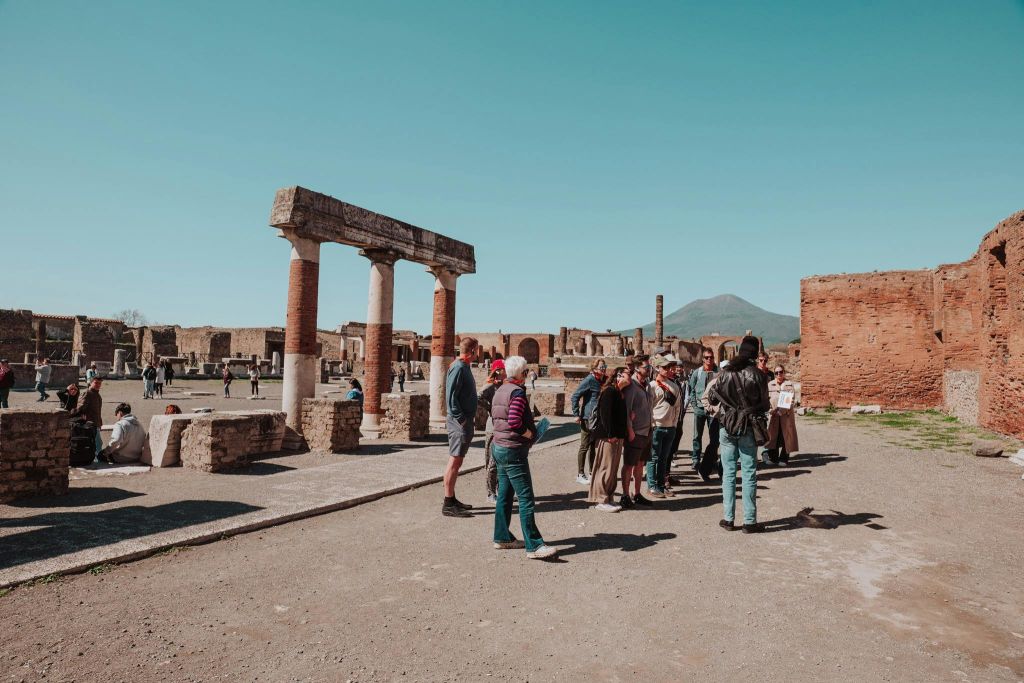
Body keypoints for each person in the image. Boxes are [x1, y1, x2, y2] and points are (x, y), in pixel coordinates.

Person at [489, 355, 557, 559]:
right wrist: (530, 434)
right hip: (513, 450)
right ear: (522, 374)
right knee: (526, 499)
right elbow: (515, 421)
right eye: (526, 372)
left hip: (499, 446)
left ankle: (502, 537)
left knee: (505, 495)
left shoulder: (500, 389)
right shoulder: (517, 393)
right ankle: (534, 545)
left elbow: (496, 418)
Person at [706, 336, 771, 533]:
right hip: (748, 428)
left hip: (727, 427)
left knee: (728, 473)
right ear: (754, 353)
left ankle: (728, 518)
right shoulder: (757, 375)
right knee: (749, 472)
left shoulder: (725, 373)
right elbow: (766, 404)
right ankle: (750, 521)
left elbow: (712, 398)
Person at [442, 337, 478, 518]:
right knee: (454, 461)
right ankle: (448, 504)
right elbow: (451, 398)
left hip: (463, 421)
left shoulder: (464, 366)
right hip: (459, 423)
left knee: (458, 460)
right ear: (472, 351)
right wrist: (462, 420)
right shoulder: (458, 367)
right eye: (476, 350)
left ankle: (452, 498)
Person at [588, 367, 629, 512]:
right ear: (618, 376)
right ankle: (601, 499)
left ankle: (609, 496)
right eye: (627, 374)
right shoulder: (609, 391)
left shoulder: (619, 392)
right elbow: (605, 415)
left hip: (617, 437)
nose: (629, 376)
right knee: (605, 467)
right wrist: (611, 435)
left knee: (613, 468)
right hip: (607, 437)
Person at [646, 355, 682, 498]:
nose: (668, 370)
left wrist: (674, 423)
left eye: (669, 367)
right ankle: (652, 486)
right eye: (665, 367)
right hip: (656, 426)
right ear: (658, 368)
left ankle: (661, 485)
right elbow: (648, 407)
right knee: (653, 458)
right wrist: (651, 425)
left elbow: (678, 407)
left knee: (664, 458)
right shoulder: (652, 386)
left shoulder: (674, 386)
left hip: (670, 427)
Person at [620, 359, 653, 508]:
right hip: (636, 432)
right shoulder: (631, 386)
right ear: (638, 369)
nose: (649, 369)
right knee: (629, 464)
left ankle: (637, 493)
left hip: (647, 431)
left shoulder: (646, 385)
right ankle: (625, 495)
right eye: (646, 367)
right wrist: (630, 430)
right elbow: (627, 410)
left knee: (640, 464)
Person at [570, 359, 606, 485]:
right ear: (594, 368)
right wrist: (576, 414)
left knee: (592, 447)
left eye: (604, 366)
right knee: (584, 446)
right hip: (587, 418)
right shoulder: (589, 380)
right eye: (601, 367)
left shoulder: (600, 380)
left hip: (596, 418)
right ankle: (580, 474)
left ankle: (592, 472)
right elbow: (575, 396)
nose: (603, 369)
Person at [687, 349, 719, 481]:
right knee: (697, 436)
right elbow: (691, 389)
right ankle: (696, 459)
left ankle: (712, 460)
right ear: (703, 359)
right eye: (706, 357)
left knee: (714, 437)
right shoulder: (697, 372)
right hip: (700, 408)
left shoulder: (718, 373)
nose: (709, 360)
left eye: (711, 357)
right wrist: (694, 405)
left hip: (712, 409)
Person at [477, 359, 506, 504]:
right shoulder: (490, 386)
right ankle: (490, 492)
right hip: (492, 428)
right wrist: (490, 408)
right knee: (491, 462)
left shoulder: (504, 385)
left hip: (502, 428)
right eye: (504, 369)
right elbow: (478, 397)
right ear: (498, 371)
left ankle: (500, 490)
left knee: (502, 462)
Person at [763, 364, 799, 467]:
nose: (779, 374)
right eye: (776, 372)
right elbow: (766, 400)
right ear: (774, 374)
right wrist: (770, 410)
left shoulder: (788, 385)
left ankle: (784, 458)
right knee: (773, 436)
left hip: (785, 416)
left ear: (784, 373)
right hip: (773, 416)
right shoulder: (770, 385)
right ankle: (773, 457)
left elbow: (790, 400)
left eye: (781, 372)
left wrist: (780, 411)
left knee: (785, 437)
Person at [69, 378, 104, 457]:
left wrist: (100, 422)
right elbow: (80, 407)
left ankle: (97, 459)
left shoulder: (97, 395)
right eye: (96, 383)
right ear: (91, 383)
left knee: (97, 443)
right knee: (97, 443)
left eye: (99, 383)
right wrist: (71, 414)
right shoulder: (87, 393)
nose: (98, 385)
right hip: (90, 424)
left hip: (95, 424)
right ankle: (98, 459)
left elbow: (97, 411)